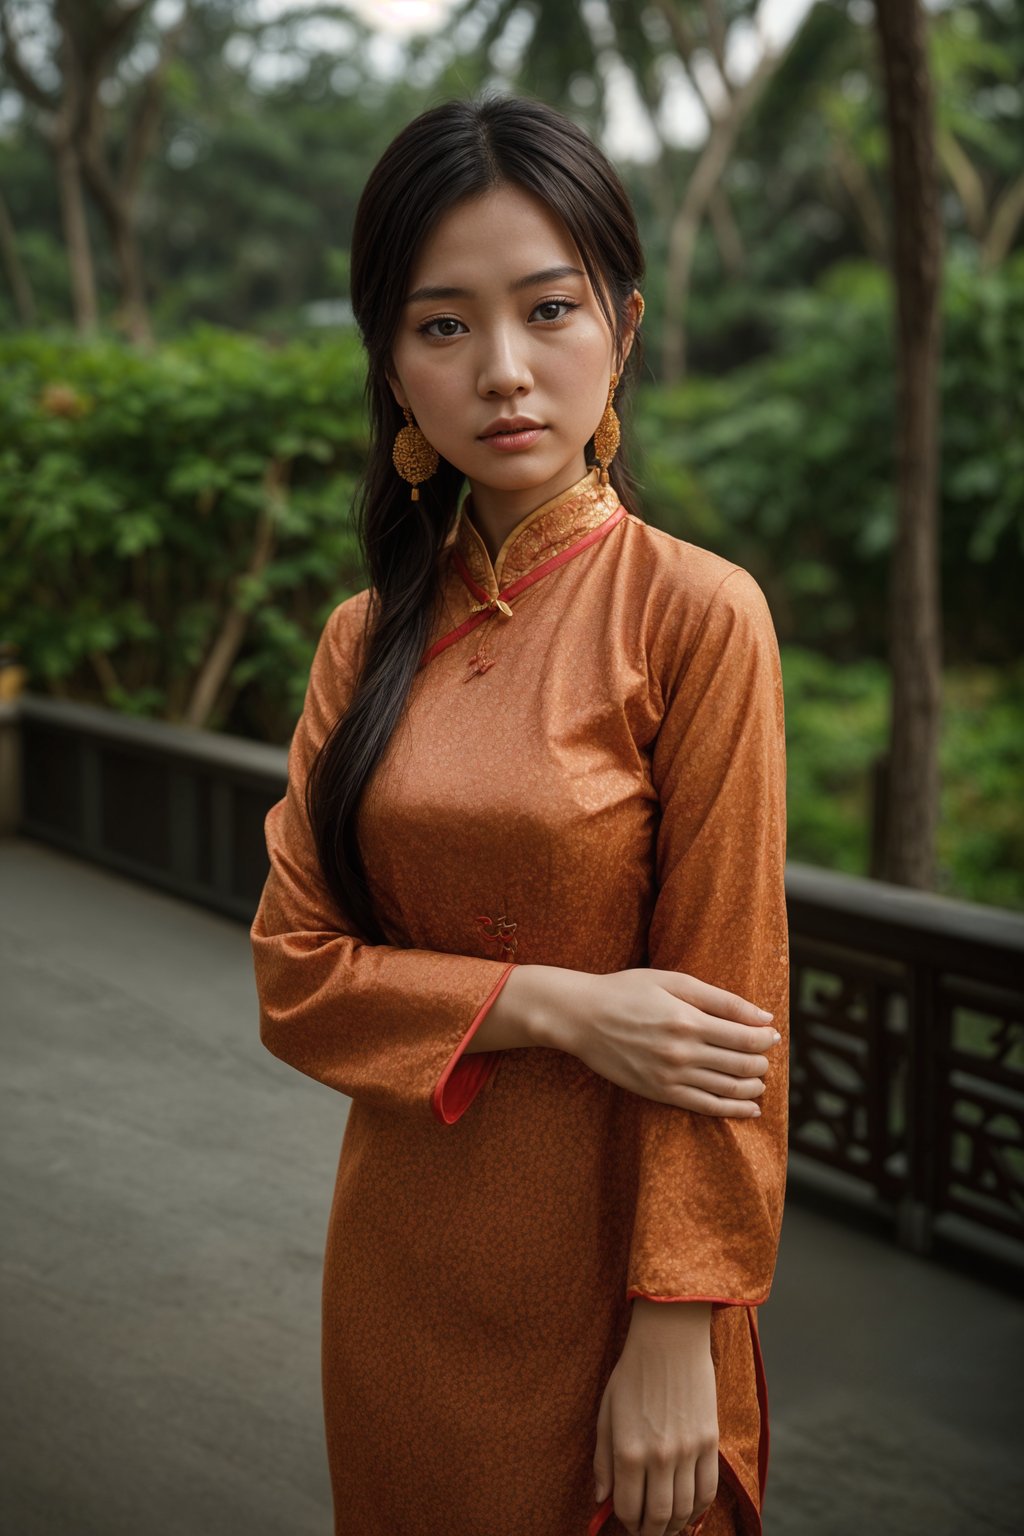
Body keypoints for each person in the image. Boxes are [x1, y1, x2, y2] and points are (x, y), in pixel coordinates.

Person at [250, 93, 789, 1536]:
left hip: (618, 1281)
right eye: (442, 326)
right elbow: (295, 979)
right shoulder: (361, 643)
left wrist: (678, 1325)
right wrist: (553, 1004)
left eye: (548, 310)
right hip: (404, 1273)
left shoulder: (695, 616)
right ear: (392, 367)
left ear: (621, 323)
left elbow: (733, 1004)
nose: (503, 371)